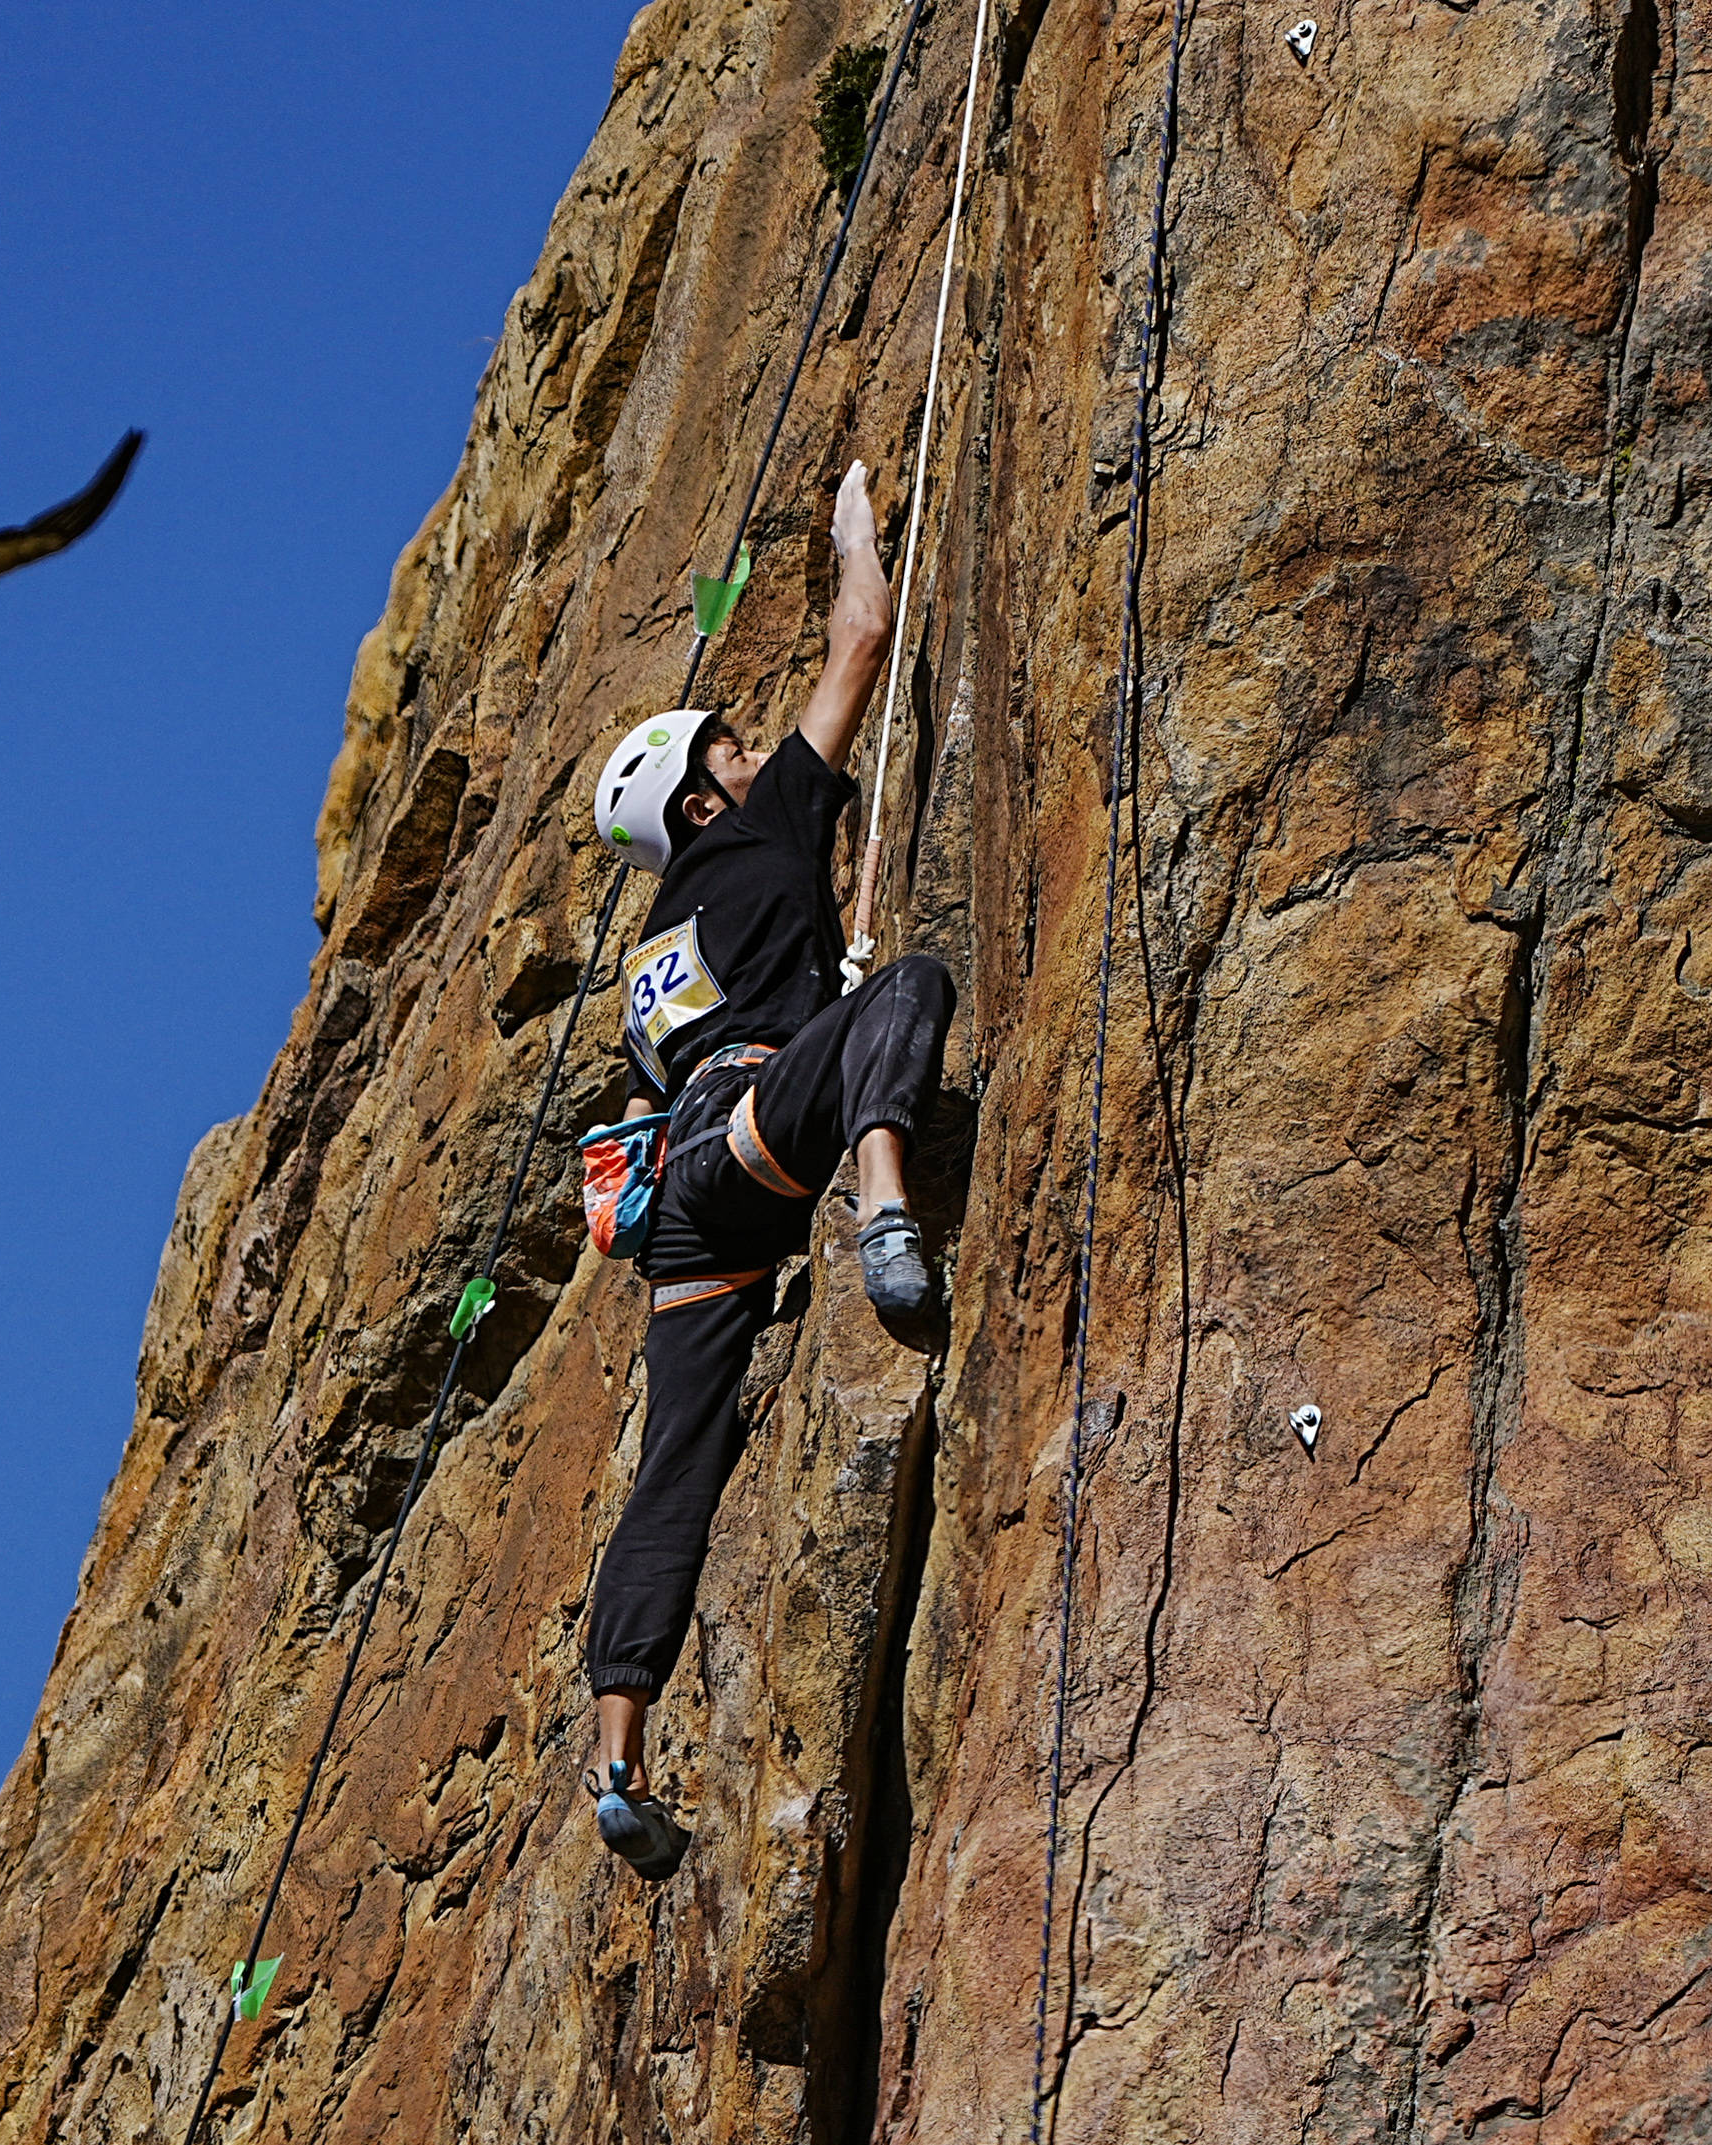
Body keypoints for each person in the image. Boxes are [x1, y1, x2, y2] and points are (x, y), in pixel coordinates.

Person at [578, 460, 958, 1881]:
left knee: (674, 1462)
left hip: (685, 1209)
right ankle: (882, 1207)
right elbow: (861, 636)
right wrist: (860, 521)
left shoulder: (643, 968)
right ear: (696, 805)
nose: (749, 756)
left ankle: (616, 1756)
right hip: (748, 1138)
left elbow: (649, 1088)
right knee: (907, 986)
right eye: (727, 751)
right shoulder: (749, 831)